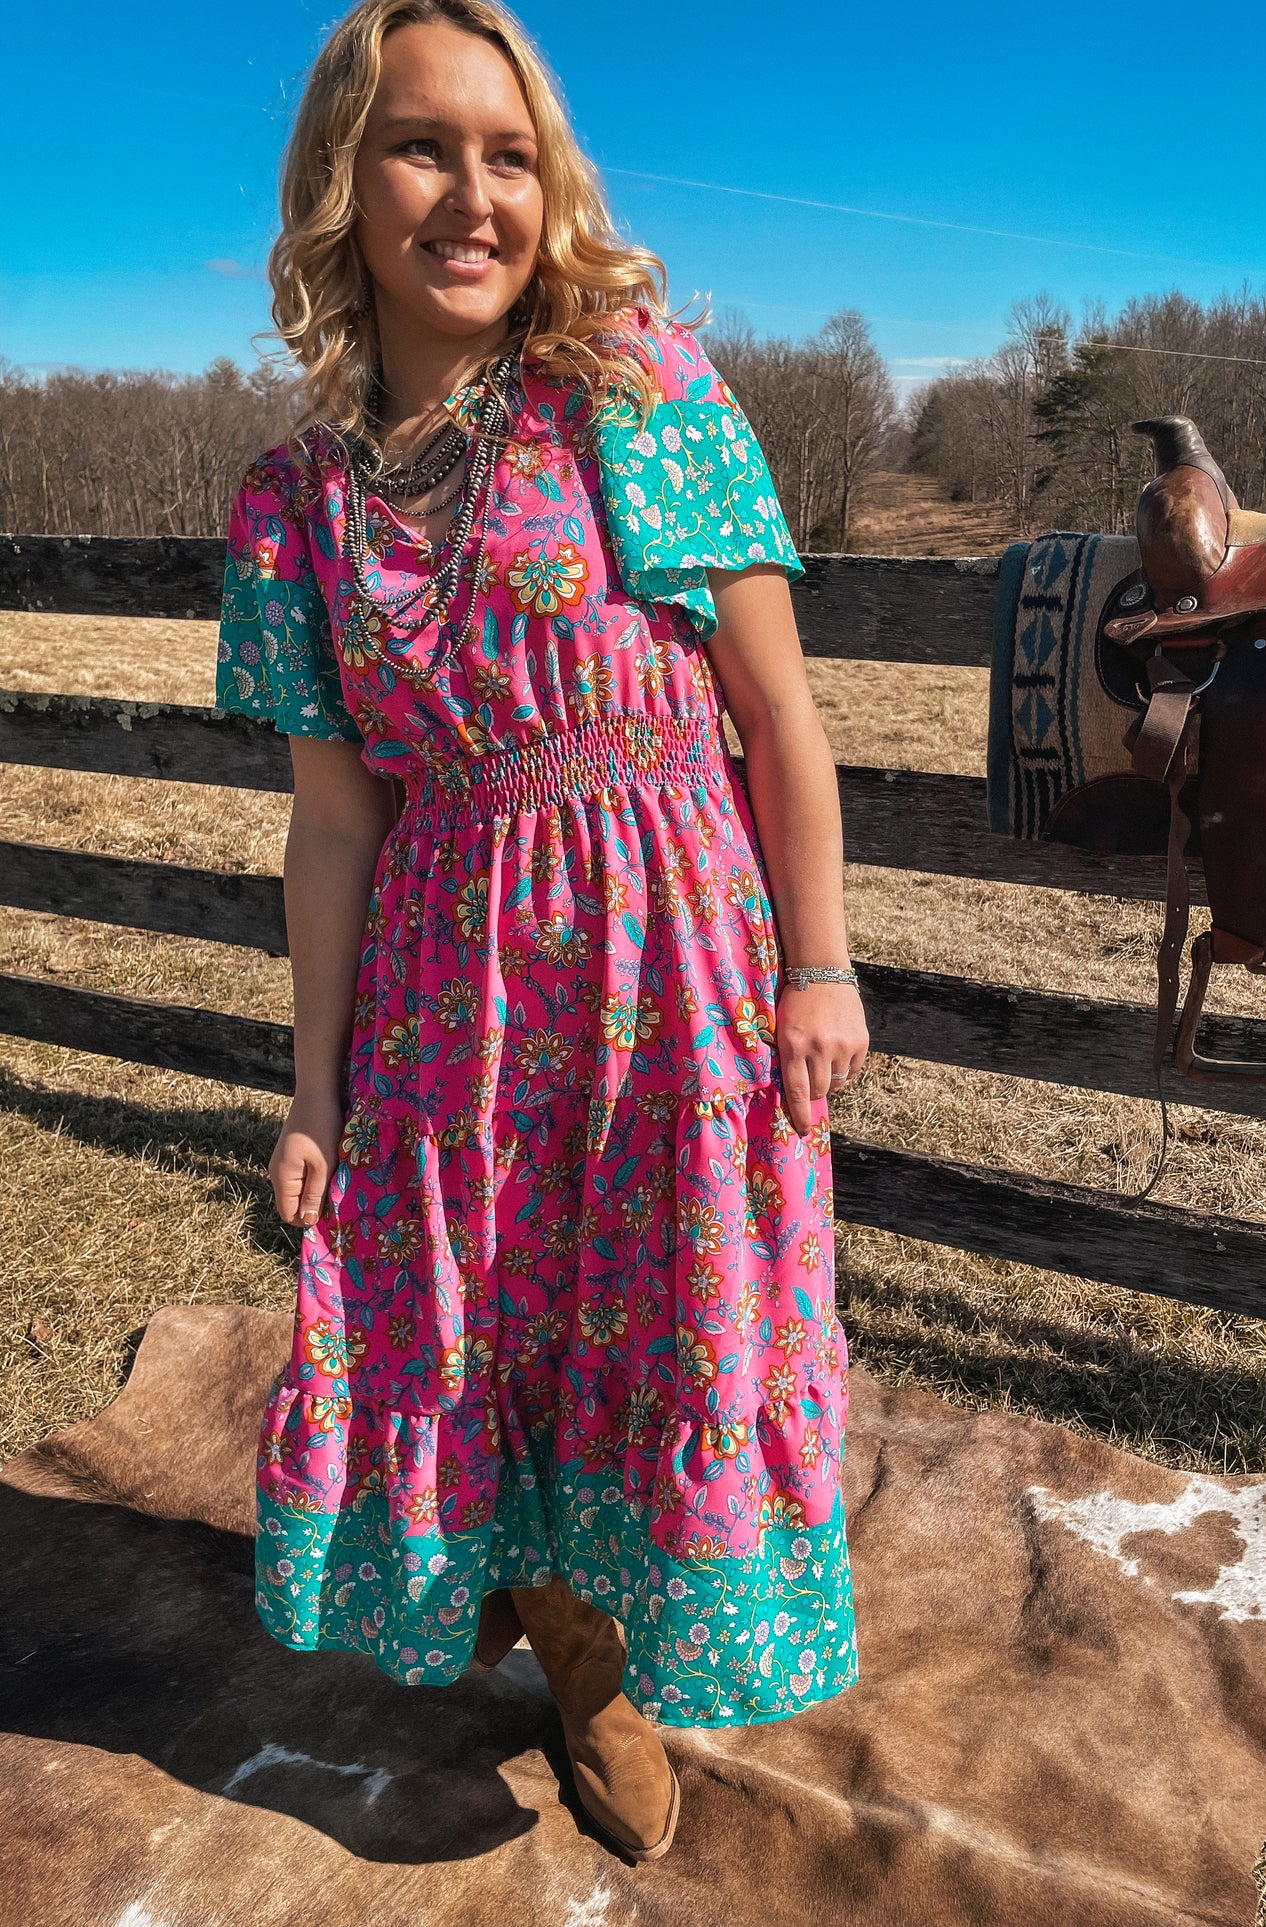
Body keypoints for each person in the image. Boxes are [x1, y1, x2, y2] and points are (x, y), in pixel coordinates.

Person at [215, 0, 868, 1863]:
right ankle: (561, 1632)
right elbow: (334, 820)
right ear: (345, 178)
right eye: (424, 147)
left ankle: (616, 1655)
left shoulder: (635, 390)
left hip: (671, 955)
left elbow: (776, 718)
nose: (472, 195)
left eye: (510, 155)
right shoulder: (297, 500)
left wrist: (815, 966)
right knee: (459, 1319)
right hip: (446, 990)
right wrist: (314, 1093)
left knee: (669, 1324)